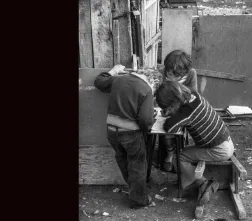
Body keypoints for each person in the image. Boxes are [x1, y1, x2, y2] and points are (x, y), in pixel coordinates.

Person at [155, 80, 234, 218]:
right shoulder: (193, 95)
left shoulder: (186, 112)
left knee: (180, 157)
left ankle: (204, 183)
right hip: (225, 141)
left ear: (174, 103)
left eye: (169, 107)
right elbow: (178, 116)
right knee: (186, 152)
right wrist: (171, 112)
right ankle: (197, 181)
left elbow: (170, 127)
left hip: (219, 149)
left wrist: (169, 115)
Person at [94, 64, 157, 209]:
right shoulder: (146, 89)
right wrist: (149, 126)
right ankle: (138, 200)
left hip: (111, 131)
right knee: (137, 166)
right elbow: (145, 120)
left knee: (123, 161)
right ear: (152, 79)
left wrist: (114, 70)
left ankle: (135, 191)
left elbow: (99, 82)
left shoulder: (118, 79)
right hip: (131, 134)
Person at [161, 50, 198, 172]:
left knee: (175, 128)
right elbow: (160, 93)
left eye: (173, 74)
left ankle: (175, 154)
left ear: (182, 73)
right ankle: (169, 152)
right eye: (168, 73)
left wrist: (176, 87)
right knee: (164, 128)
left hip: (183, 107)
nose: (169, 76)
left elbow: (193, 95)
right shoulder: (163, 71)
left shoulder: (191, 74)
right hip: (167, 106)